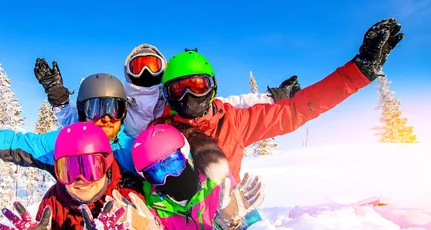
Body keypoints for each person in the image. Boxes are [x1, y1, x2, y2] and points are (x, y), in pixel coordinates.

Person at [158, 18, 404, 183]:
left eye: (198, 86)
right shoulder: (160, 131)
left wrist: (357, 72)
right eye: (179, 90)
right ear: (167, 95)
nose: (188, 97)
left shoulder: (234, 122)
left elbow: (297, 111)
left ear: (212, 88)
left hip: (226, 218)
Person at [0, 122, 178, 230]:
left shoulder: (124, 199)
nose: (81, 179)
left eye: (91, 169)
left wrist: (140, 229)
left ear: (106, 166)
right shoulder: (53, 203)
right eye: (69, 171)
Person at [35, 43, 301, 138]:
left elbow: (228, 104)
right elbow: (83, 123)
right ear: (129, 71)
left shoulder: (176, 98)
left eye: (152, 66)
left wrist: (273, 97)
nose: (146, 73)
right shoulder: (120, 104)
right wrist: (59, 98)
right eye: (139, 66)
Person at [0, 73, 136, 176]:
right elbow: (16, 144)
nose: (107, 117)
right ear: (84, 112)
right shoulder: (65, 145)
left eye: (114, 108)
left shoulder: (131, 148)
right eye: (97, 108)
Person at [115, 121, 264, 230]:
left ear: (187, 155)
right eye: (156, 172)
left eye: (173, 162)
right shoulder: (153, 204)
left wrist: (228, 225)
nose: (168, 176)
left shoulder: (218, 183)